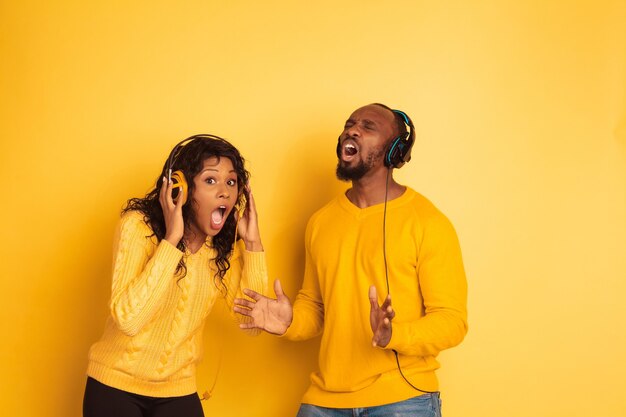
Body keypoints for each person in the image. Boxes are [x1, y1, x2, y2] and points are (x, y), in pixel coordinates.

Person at [234, 104, 468, 417]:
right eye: (349, 124)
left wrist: (393, 335)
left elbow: (452, 321)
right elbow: (315, 307)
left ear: (394, 151)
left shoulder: (428, 222)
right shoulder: (321, 221)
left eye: (368, 126)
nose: (352, 130)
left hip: (403, 400)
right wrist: (289, 322)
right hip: (324, 402)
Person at [83, 134, 268, 417]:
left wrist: (253, 244)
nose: (224, 192)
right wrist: (171, 240)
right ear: (180, 187)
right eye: (210, 180)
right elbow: (130, 320)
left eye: (231, 182)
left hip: (177, 390)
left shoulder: (220, 250)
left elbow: (252, 323)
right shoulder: (138, 227)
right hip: (114, 386)